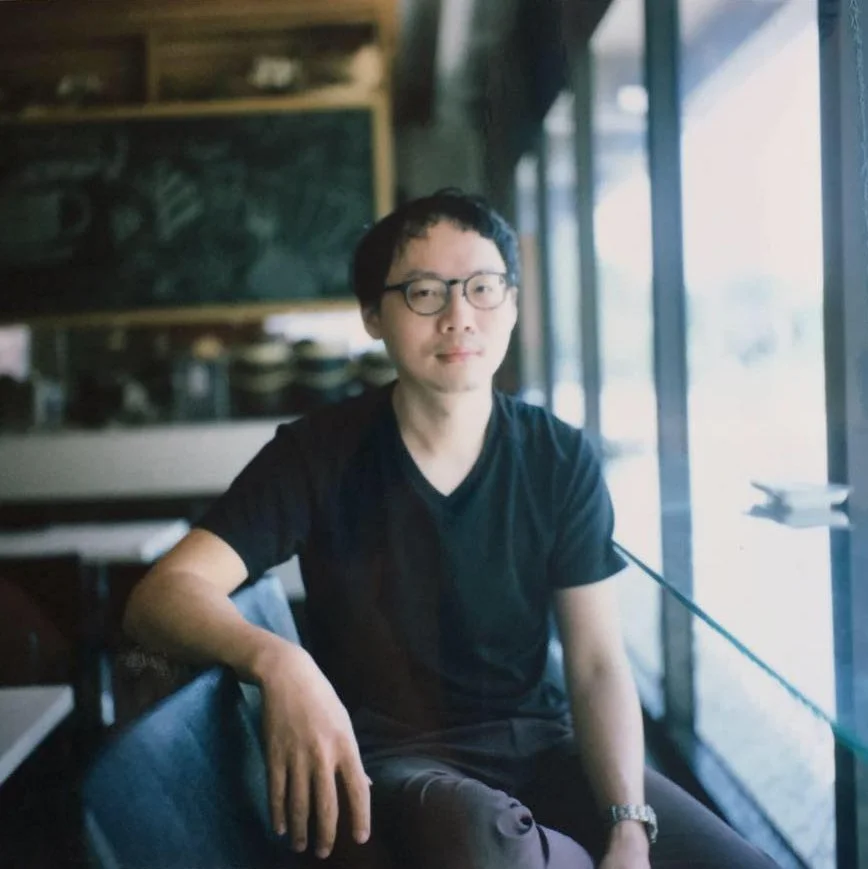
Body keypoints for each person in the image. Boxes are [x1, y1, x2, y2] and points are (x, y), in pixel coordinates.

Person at [124, 190, 779, 868]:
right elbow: (162, 594)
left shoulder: (559, 457)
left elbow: (596, 664)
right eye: (424, 291)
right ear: (374, 316)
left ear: (515, 305)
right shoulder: (316, 454)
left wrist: (627, 824)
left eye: (483, 287)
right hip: (399, 766)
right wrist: (278, 659)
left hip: (546, 749)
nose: (459, 316)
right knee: (496, 844)